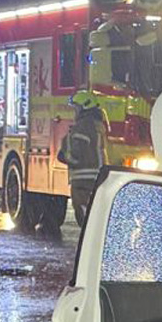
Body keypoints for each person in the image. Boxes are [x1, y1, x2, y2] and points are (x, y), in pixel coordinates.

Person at [58, 89, 108, 224]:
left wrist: (63, 153)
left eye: (76, 108)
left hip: (83, 181)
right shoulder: (97, 125)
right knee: (95, 217)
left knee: (85, 220)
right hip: (96, 177)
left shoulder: (83, 126)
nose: (75, 112)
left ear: (84, 107)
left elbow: (76, 156)